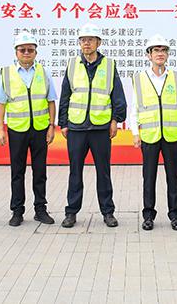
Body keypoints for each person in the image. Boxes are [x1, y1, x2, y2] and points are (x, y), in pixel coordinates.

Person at [58, 23, 127, 228]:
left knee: (103, 172)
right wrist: (63, 123)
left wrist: (115, 120)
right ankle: (71, 212)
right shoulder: (72, 65)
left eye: (90, 39)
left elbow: (117, 96)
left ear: (98, 42)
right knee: (75, 172)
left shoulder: (109, 65)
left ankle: (108, 212)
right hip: (76, 128)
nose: (86, 43)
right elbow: (65, 95)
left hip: (100, 128)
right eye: (83, 40)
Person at [0, 31, 57, 226]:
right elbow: (1, 103)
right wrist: (0, 129)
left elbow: (51, 101)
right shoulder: (7, 73)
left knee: (40, 171)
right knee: (17, 172)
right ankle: (17, 211)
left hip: (40, 129)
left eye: (30, 49)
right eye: (22, 50)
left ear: (36, 52)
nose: (26, 53)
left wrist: (51, 126)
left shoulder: (44, 72)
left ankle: (40, 209)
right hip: (17, 130)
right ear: (16, 52)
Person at [130, 34, 177, 231]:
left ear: (168, 54)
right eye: (156, 50)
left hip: (171, 134)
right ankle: (148, 215)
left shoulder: (176, 77)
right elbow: (135, 107)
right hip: (149, 135)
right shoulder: (139, 78)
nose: (160, 54)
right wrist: (135, 132)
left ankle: (175, 215)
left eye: (163, 50)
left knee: (173, 177)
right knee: (149, 177)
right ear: (149, 55)